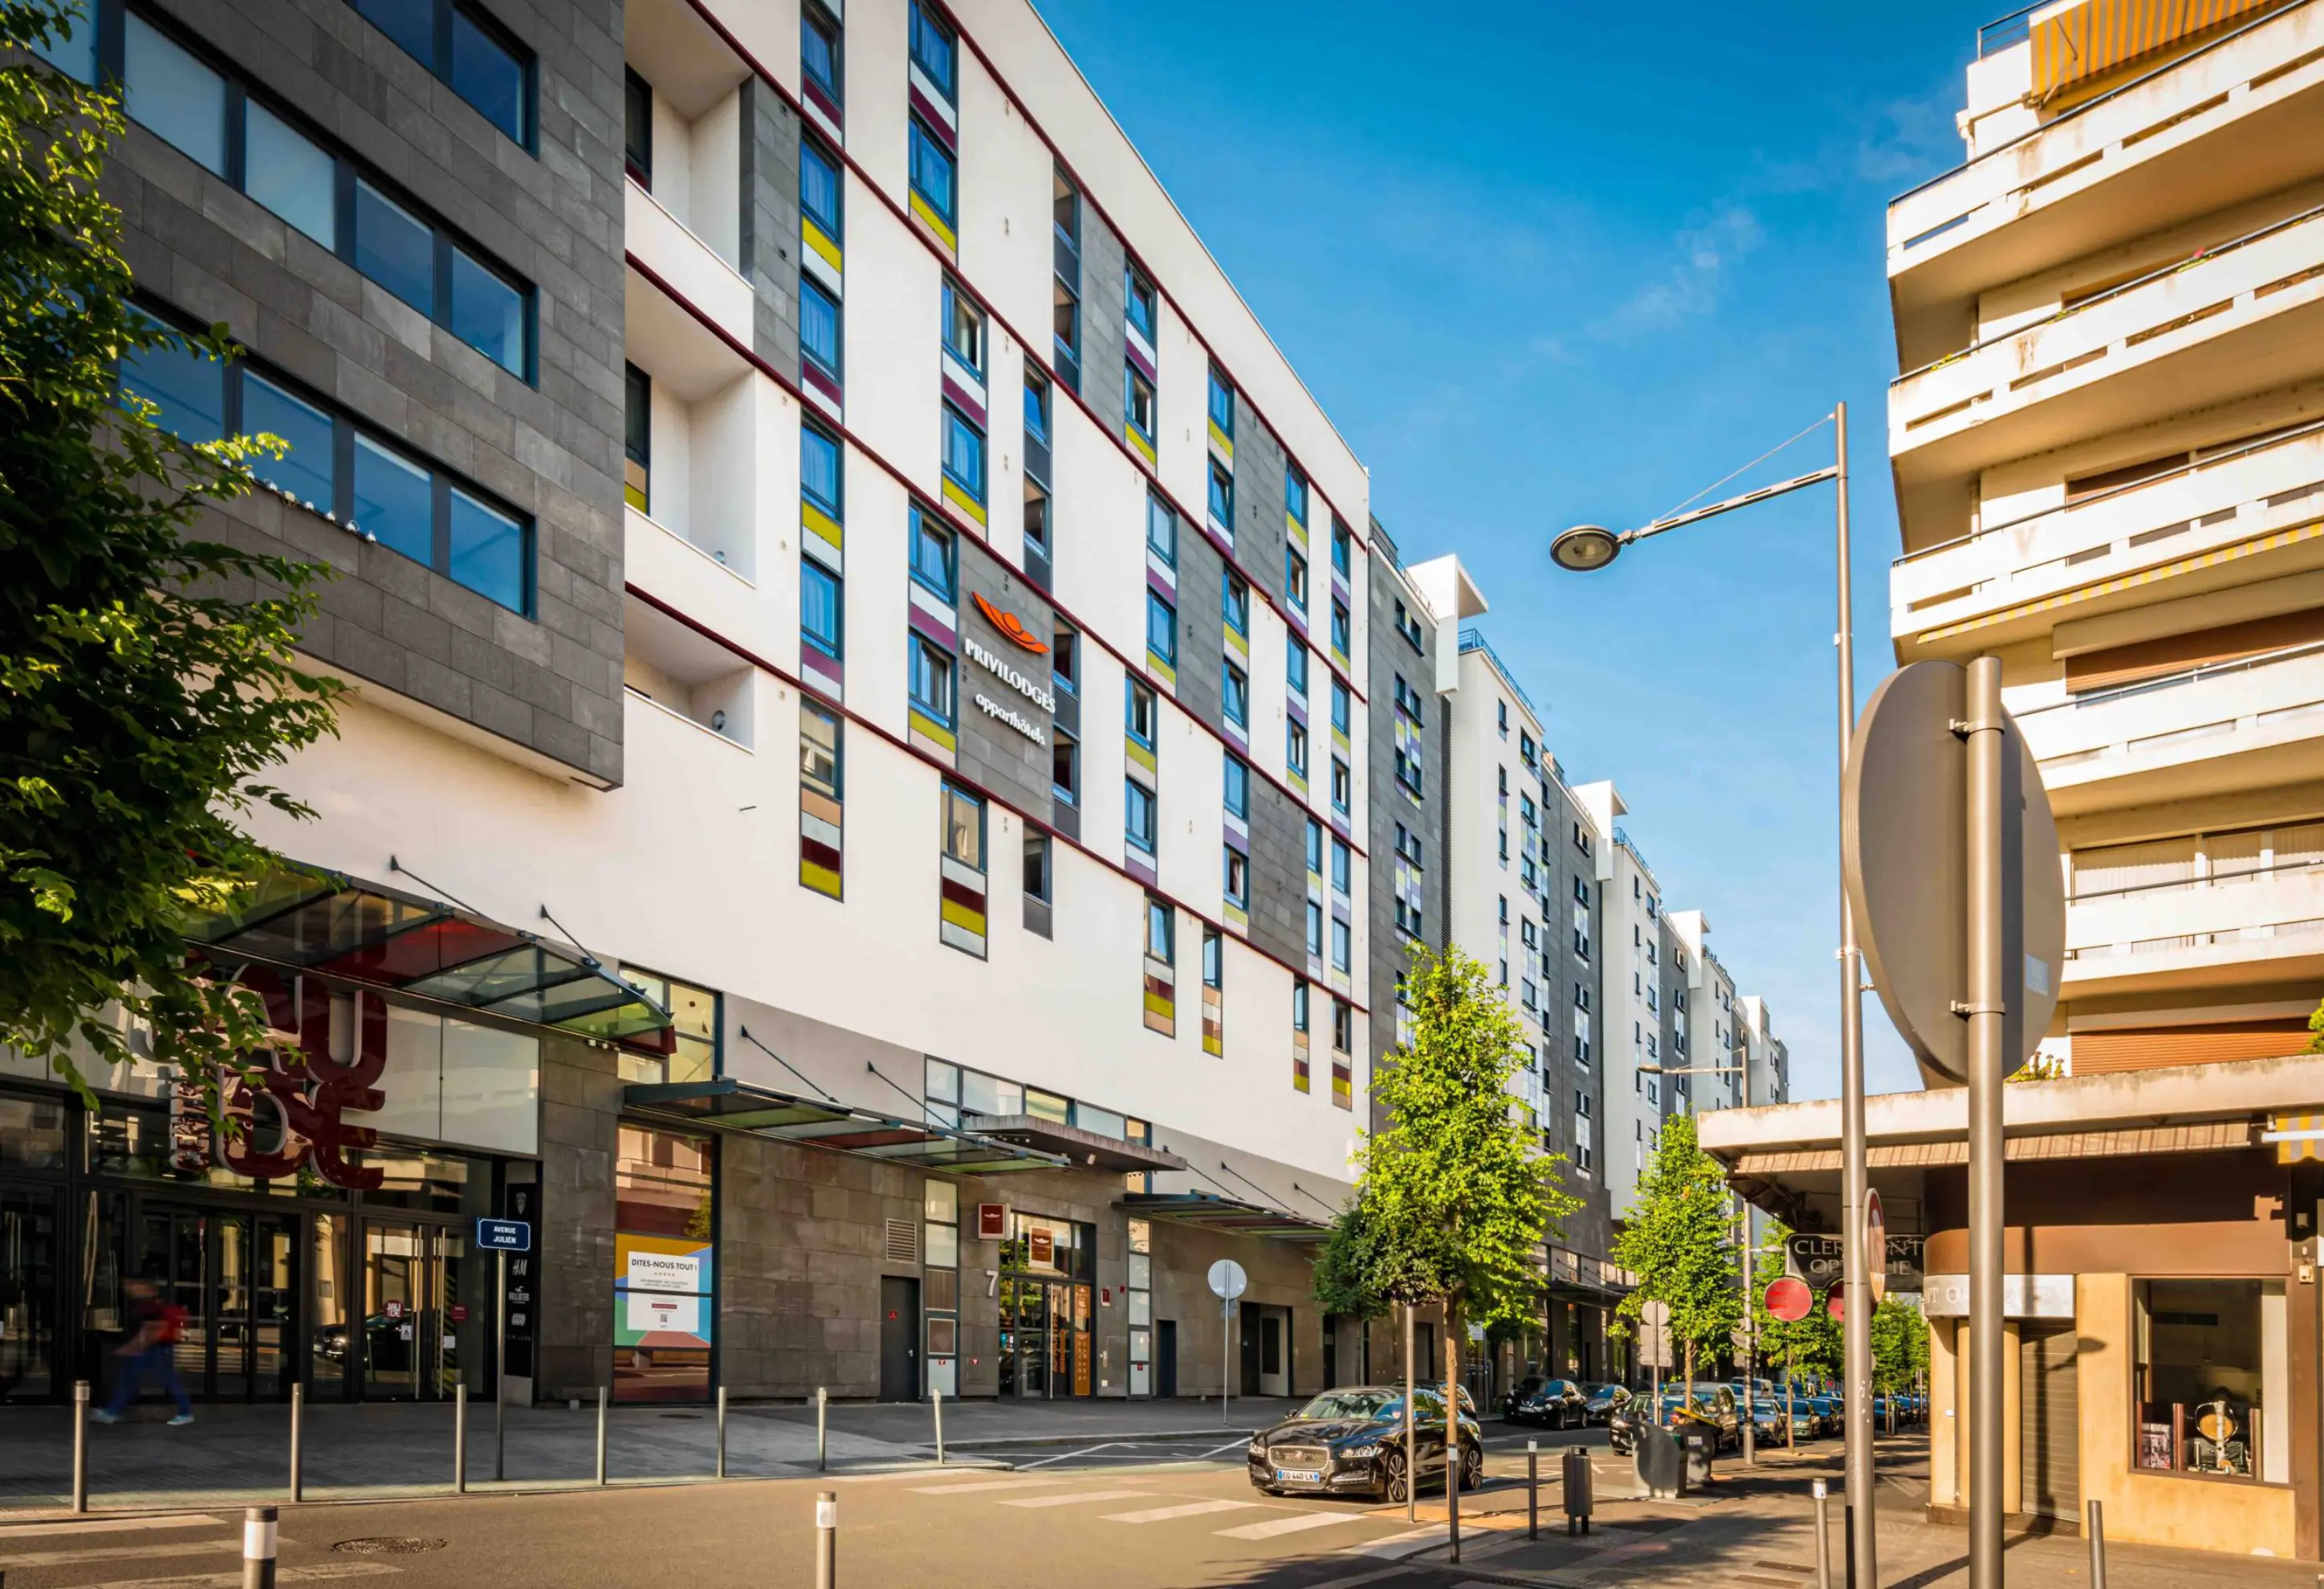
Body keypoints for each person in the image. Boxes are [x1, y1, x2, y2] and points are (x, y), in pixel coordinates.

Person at [92, 1278, 193, 1425]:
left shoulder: (150, 1306)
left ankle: (185, 1412)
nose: (128, 1288)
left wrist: (133, 1348)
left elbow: (152, 1330)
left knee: (168, 1381)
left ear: (143, 1286)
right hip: (151, 1349)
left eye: (131, 1284)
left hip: (155, 1349)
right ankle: (111, 1412)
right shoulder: (145, 1304)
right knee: (129, 1380)